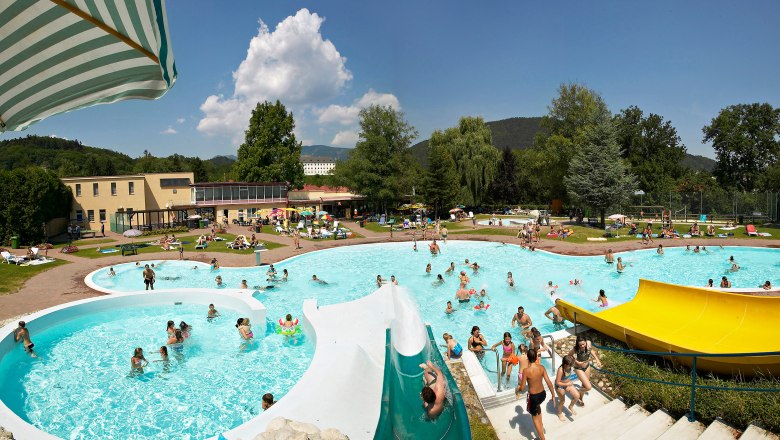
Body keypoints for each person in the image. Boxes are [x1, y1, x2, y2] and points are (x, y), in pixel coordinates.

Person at [517, 349, 556, 440]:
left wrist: (517, 389)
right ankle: (541, 425)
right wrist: (553, 395)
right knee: (538, 407)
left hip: (533, 397)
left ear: (527, 358)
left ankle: (542, 438)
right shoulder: (541, 367)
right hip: (542, 395)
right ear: (536, 358)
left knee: (534, 418)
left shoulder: (526, 371)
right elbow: (549, 383)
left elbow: (522, 387)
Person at [568, 334, 598, 403]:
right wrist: (577, 362)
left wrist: (597, 359)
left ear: (585, 342)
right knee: (588, 387)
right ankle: (578, 392)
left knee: (584, 385)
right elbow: (569, 355)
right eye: (580, 345)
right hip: (578, 368)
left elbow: (591, 351)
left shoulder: (588, 345)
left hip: (587, 367)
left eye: (583, 344)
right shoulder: (576, 348)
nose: (582, 346)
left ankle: (580, 398)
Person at [554, 355, 582, 420]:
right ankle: (559, 413)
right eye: (570, 365)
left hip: (567, 384)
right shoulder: (561, 370)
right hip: (560, 386)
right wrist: (567, 383)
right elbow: (557, 382)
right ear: (565, 365)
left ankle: (570, 406)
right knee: (562, 401)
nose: (571, 366)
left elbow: (575, 362)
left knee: (577, 396)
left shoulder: (570, 365)